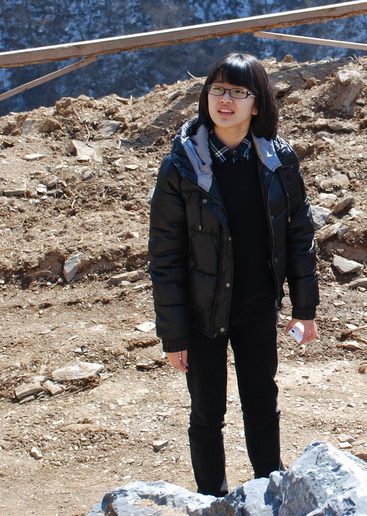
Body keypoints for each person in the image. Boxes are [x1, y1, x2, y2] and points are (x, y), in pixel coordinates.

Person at [148, 51, 320, 496]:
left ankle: (270, 490)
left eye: (238, 92)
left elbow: (299, 234)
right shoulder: (181, 167)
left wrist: (305, 307)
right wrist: (173, 334)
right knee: (206, 412)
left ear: (257, 102)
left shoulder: (277, 161)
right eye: (217, 89)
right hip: (201, 310)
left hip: (258, 304)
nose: (225, 100)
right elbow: (164, 255)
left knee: (262, 402)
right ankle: (212, 498)